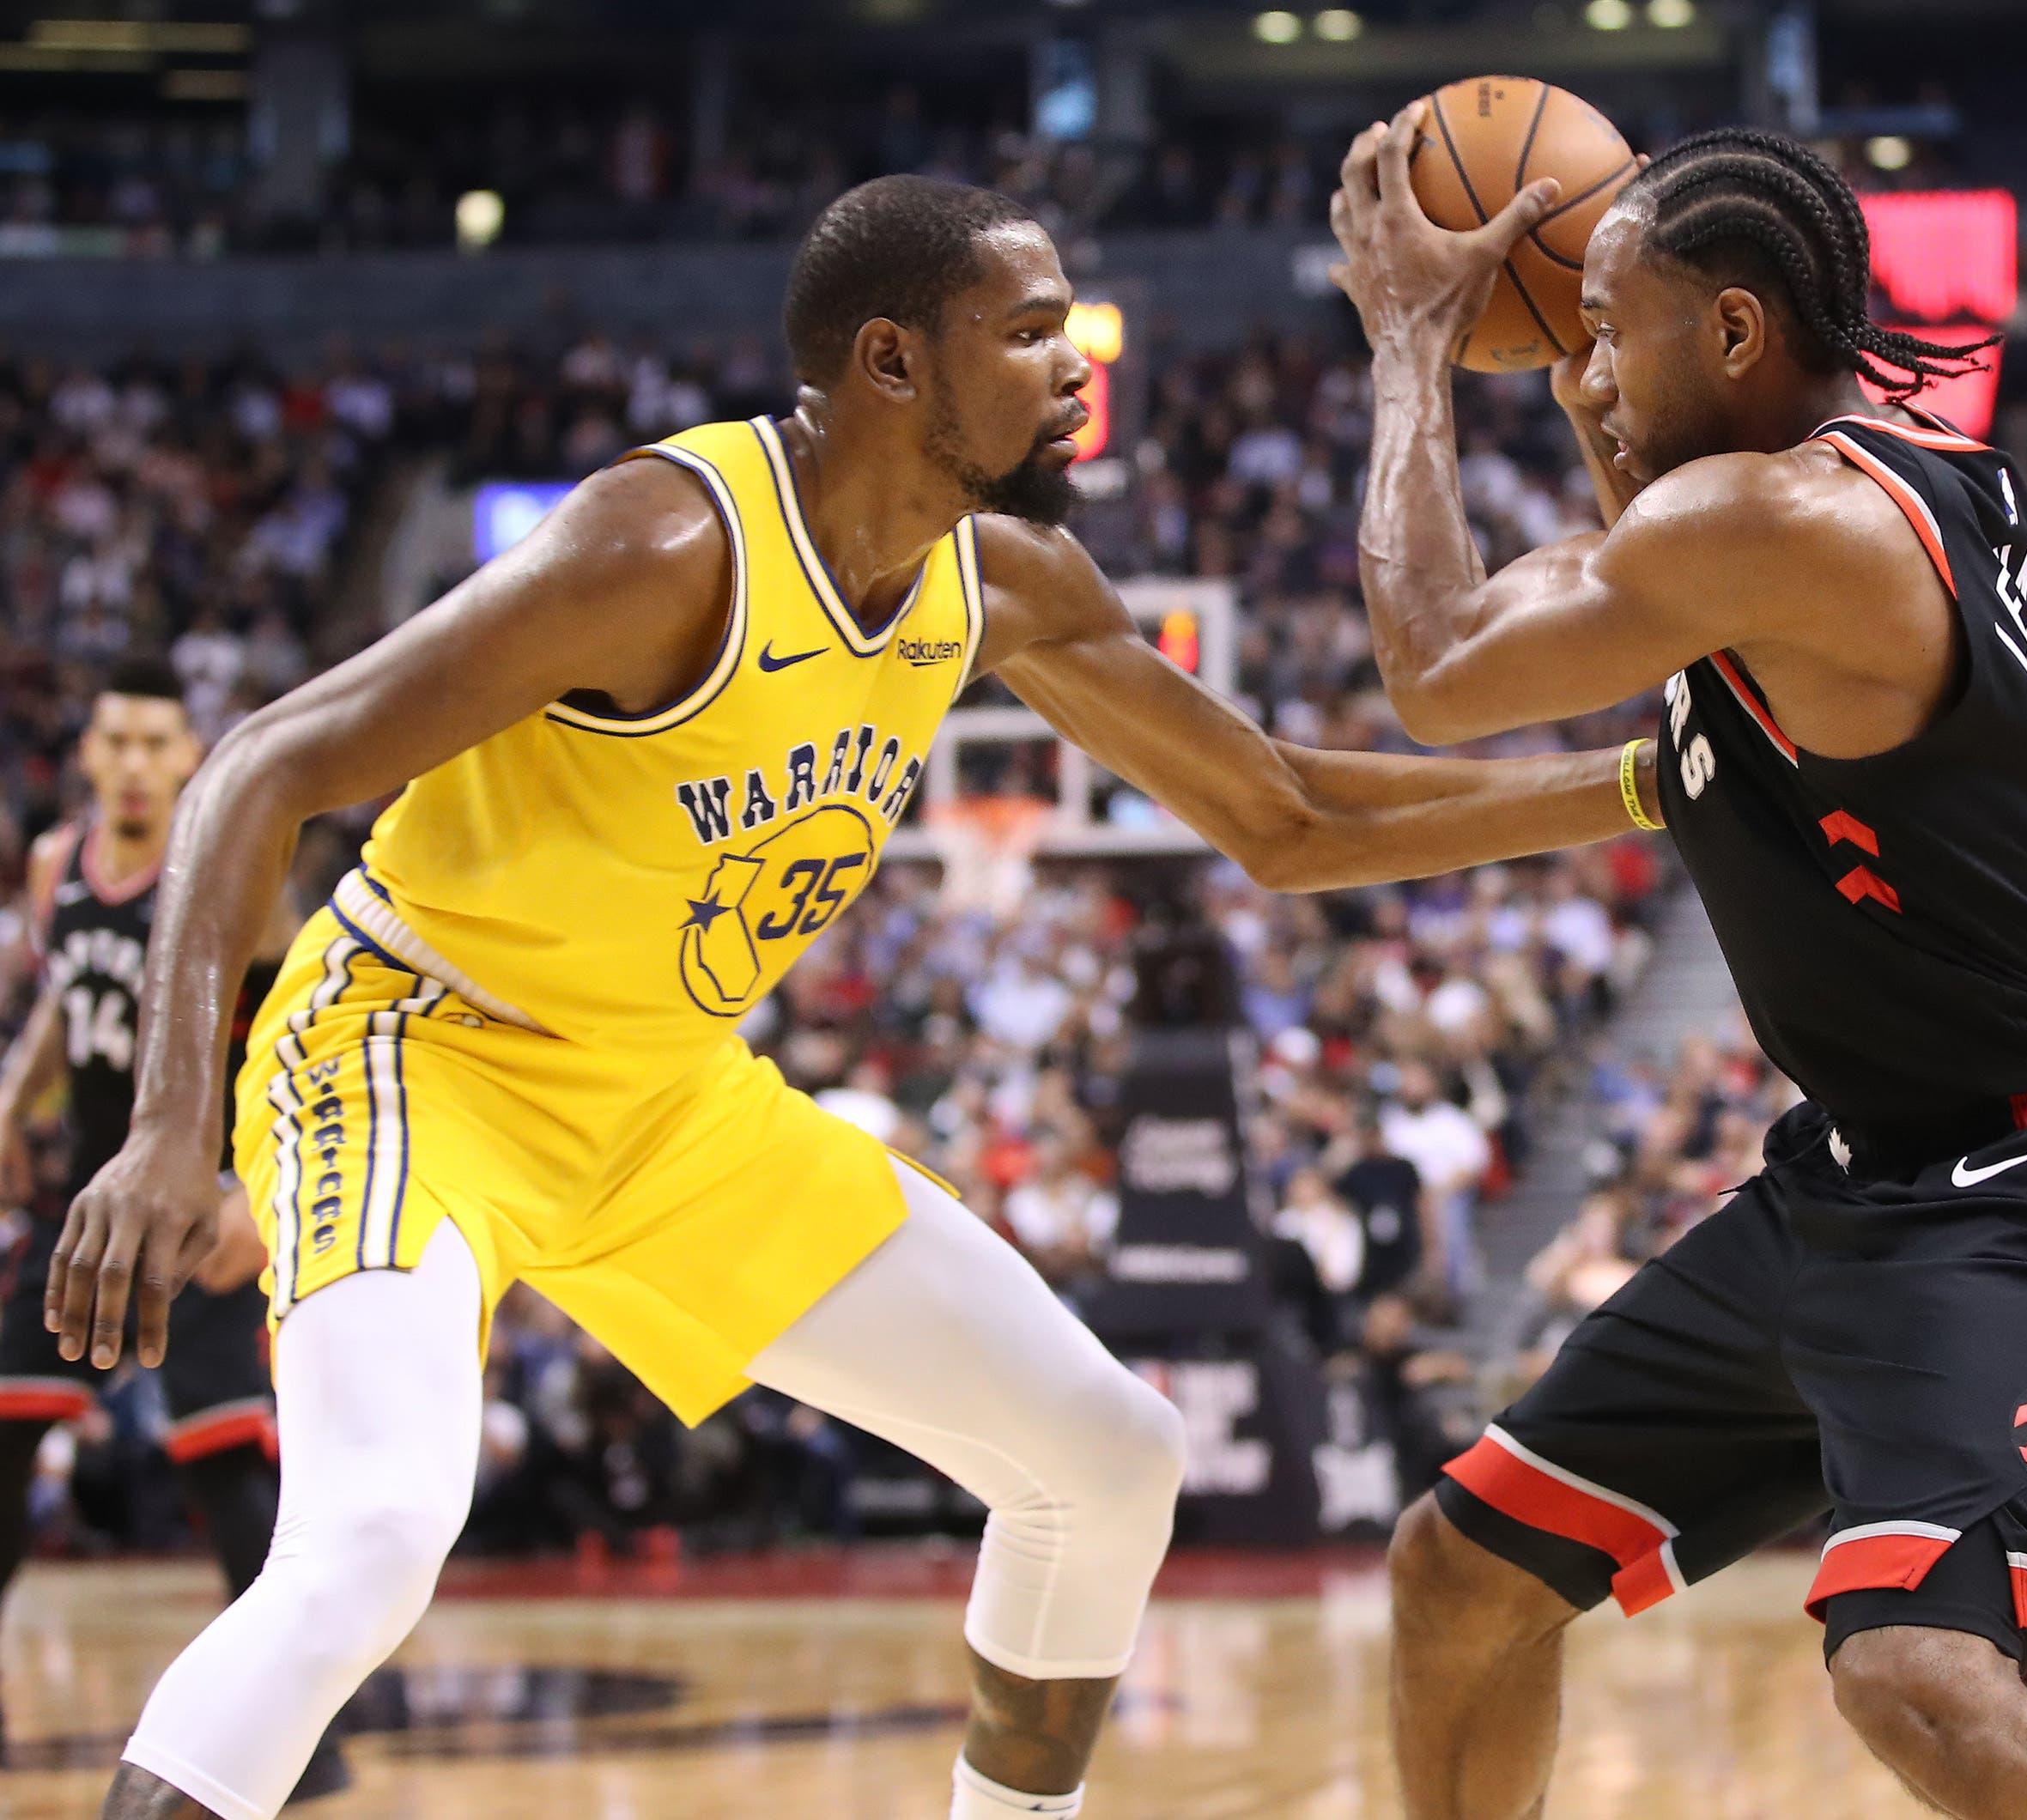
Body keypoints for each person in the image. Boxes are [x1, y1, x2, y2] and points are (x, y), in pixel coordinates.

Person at [49, 174, 1661, 1820]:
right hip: (413, 1054)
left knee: (1104, 1459)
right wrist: (171, 1132)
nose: (1073, 367)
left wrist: (1638, 786)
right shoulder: (663, 545)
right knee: (376, 1533)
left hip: (665, 1101)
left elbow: (1286, 819)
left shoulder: (1005, 584)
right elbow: (256, 768)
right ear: (892, 363)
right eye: (1030, 333)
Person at [1328, 118, 2027, 1817]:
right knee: (1459, 1572)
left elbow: (1438, 670)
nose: (1581, 361)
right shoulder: (1864, 491)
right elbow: (1675, 613)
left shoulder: (1783, 522)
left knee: (1915, 1678)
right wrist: (1612, 429)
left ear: (1733, 334)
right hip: (1854, 1176)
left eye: (1607, 323)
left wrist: (1407, 342)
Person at [0, 662, 340, 1798]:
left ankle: (302, 1736)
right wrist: (14, 1092)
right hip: (86, 1203)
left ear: (191, 756)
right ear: (88, 757)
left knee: (226, 1464)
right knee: (5, 1422)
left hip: (203, 1208)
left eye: (158, 743)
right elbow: (66, 994)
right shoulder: (58, 865)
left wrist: (261, 1190)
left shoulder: (236, 871)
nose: (137, 764)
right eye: (118, 743)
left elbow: (307, 1026)